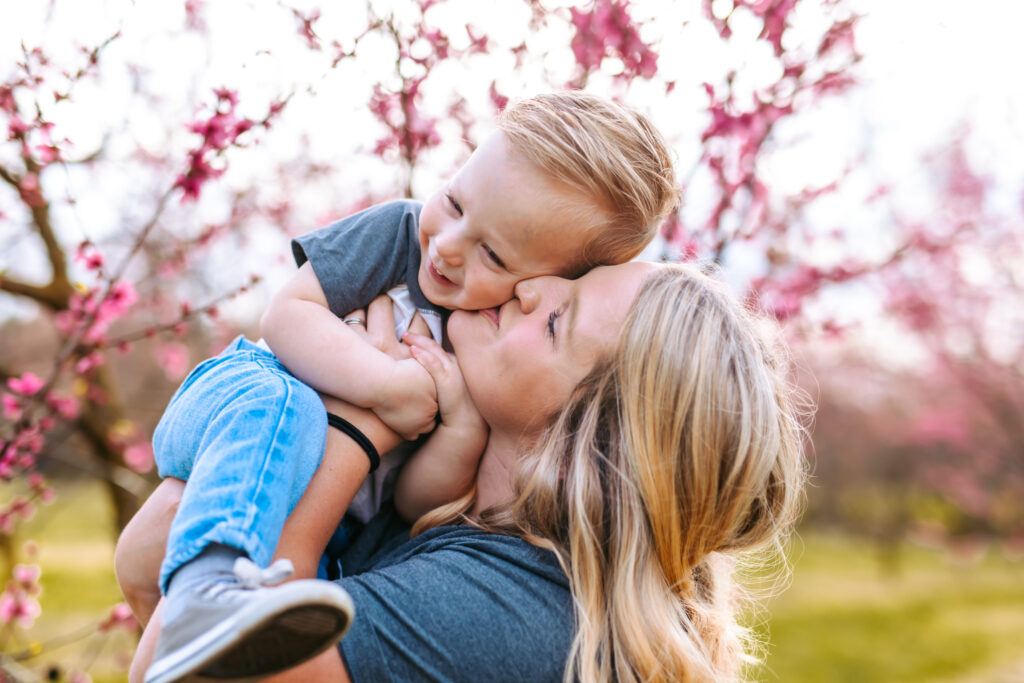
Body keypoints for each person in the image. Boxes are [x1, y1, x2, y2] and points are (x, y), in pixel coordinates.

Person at [119, 90, 679, 683]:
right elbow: (285, 318)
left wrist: (453, 427)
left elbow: (415, 504)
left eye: (493, 253)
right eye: (456, 201)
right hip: (247, 396)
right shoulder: (398, 235)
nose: (449, 245)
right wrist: (383, 390)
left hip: (305, 477)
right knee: (287, 409)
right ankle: (208, 588)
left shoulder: (475, 389)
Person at [121, 261, 808, 683]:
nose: (532, 284)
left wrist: (357, 424)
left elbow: (175, 669)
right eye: (566, 278)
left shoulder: (509, 613)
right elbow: (150, 556)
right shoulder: (450, 504)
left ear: (584, 444)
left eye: (556, 321)